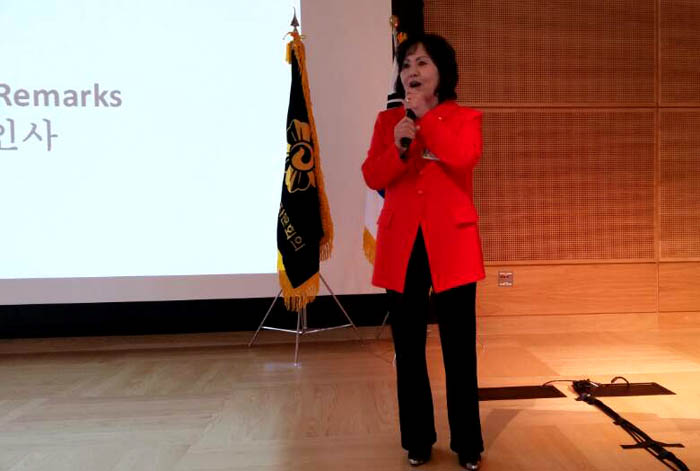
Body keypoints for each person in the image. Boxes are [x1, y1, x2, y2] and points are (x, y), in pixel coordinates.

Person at [361, 34, 485, 470]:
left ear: (442, 72)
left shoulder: (464, 118)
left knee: (459, 347)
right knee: (409, 349)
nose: (411, 71)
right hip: (402, 242)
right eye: (406, 64)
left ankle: (467, 443)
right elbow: (372, 176)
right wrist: (398, 145)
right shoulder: (388, 121)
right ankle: (417, 439)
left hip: (452, 242)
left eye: (422, 63)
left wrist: (426, 120)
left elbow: (463, 158)